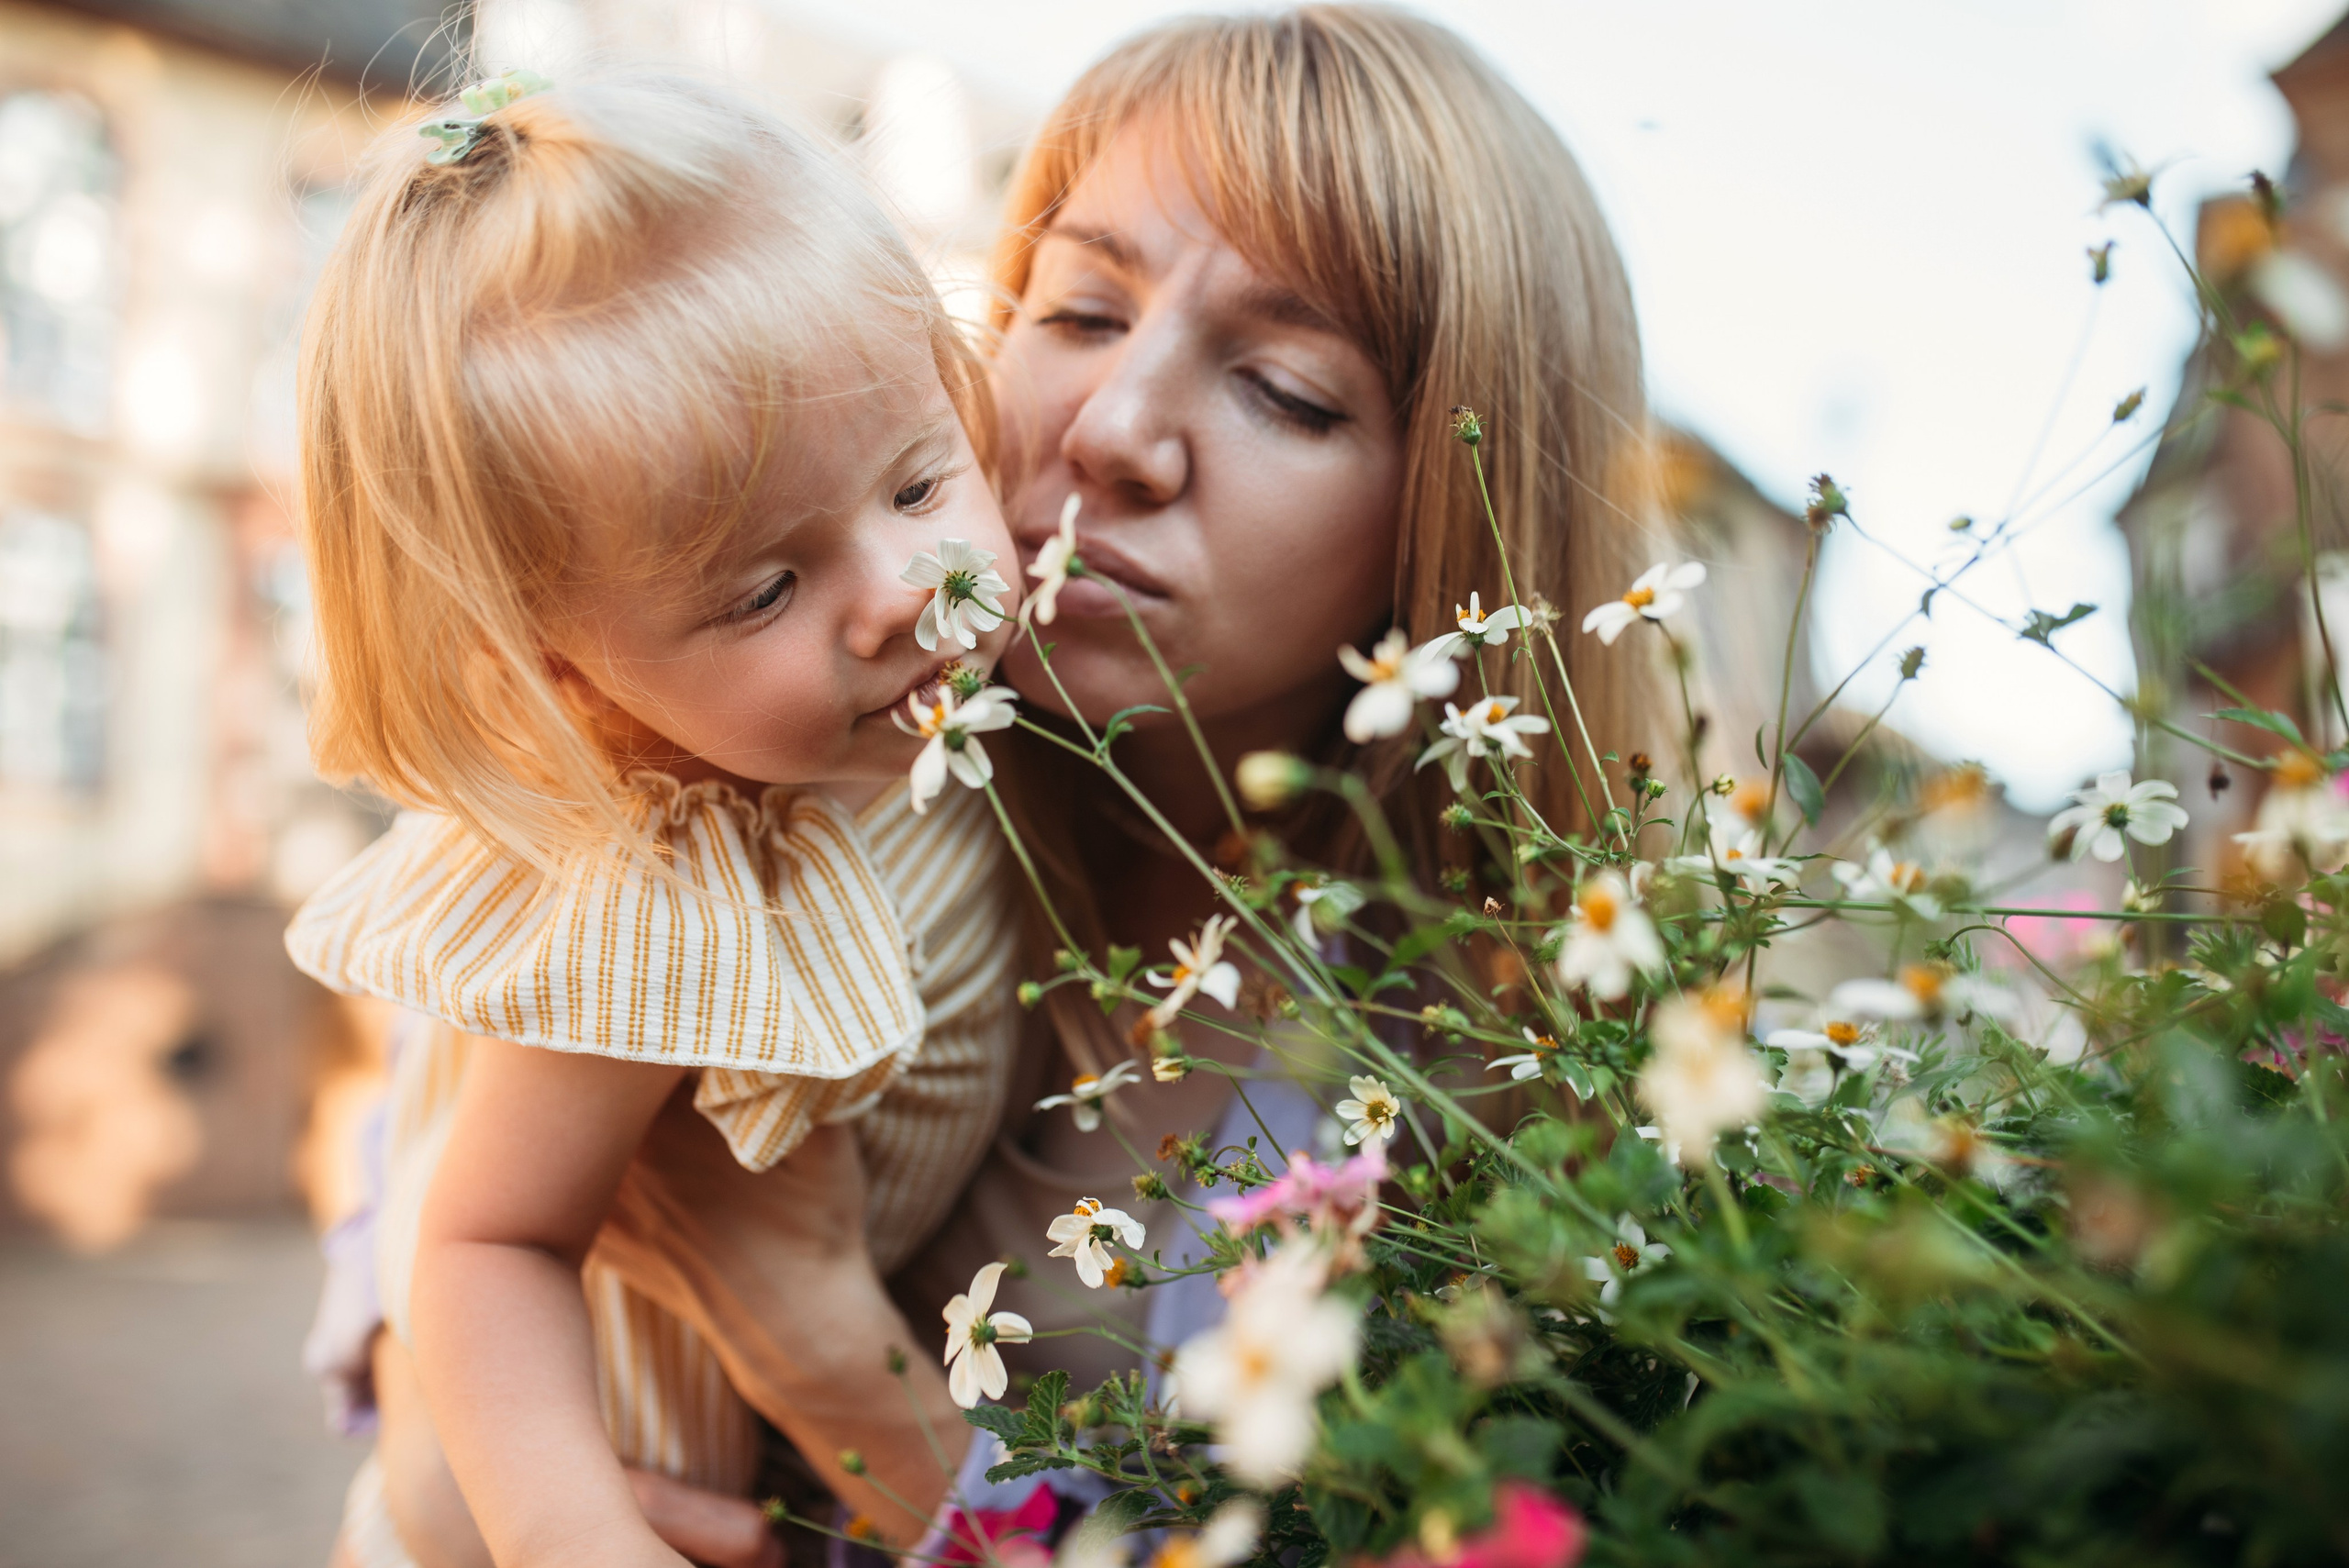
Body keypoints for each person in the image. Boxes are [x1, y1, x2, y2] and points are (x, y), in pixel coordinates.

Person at [594, 5, 1664, 1551]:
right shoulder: (753, 767)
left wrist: (819, 1342)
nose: (1111, 431)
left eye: (1287, 389)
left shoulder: (1498, 1099)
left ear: (1457, 526)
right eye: (1082, 312)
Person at [288, 71, 1024, 1567]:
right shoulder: (667, 887)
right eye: (763, 588)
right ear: (571, 671)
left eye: (920, 477)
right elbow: (488, 1242)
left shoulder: (941, 734)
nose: (899, 596)